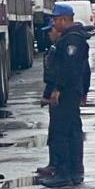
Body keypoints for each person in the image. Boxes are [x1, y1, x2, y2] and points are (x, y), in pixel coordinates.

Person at [41, 4, 92, 189]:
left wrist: (58, 89)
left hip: (68, 92)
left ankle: (63, 172)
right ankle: (74, 170)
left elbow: (70, 68)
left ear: (64, 19)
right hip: (72, 90)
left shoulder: (72, 40)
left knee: (61, 132)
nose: (54, 23)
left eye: (55, 20)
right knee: (72, 131)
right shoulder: (71, 38)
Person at [36, 26, 63, 180]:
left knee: (58, 131)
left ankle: (57, 166)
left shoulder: (58, 49)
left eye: (50, 30)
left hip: (57, 96)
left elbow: (53, 77)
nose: (48, 33)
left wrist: (47, 96)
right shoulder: (55, 47)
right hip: (56, 93)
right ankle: (54, 164)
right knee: (55, 131)